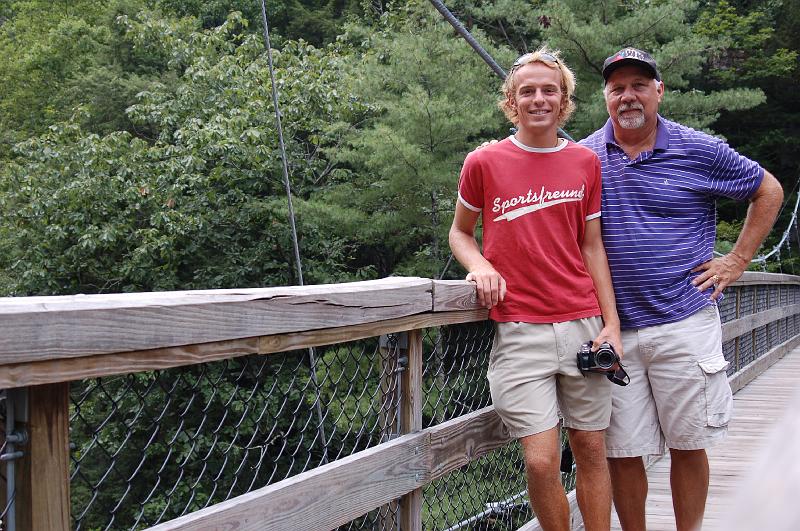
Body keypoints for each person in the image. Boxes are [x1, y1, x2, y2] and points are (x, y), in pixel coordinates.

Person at [579, 47, 784, 531]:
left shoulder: (699, 149)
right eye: (618, 88)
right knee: (623, 451)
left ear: (658, 92)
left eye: (639, 86)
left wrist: (737, 260)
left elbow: (768, 190)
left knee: (689, 443)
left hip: (684, 321)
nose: (628, 96)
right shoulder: (582, 158)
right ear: (605, 97)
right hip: (614, 331)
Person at [449, 47, 622, 531]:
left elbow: (592, 247)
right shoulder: (484, 161)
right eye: (528, 91)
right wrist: (479, 264)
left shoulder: (585, 163)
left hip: (583, 324)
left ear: (564, 100)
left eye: (550, 90)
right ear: (512, 101)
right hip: (520, 329)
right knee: (542, 460)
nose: (539, 99)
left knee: (591, 451)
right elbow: (460, 232)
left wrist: (611, 324)